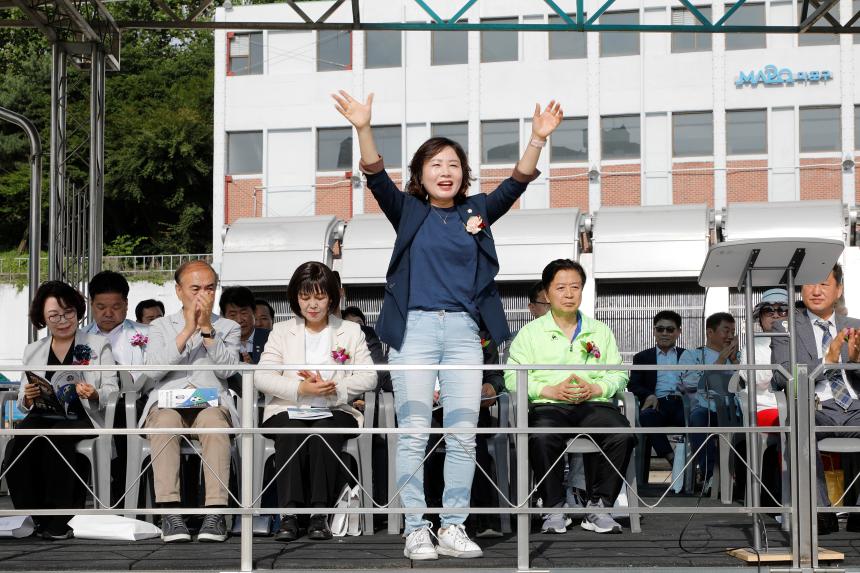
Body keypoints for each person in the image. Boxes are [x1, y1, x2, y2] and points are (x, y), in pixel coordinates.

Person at [334, 89, 562, 559]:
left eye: (453, 164)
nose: (445, 171)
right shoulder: (409, 211)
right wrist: (363, 127)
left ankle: (453, 526)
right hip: (414, 332)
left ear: (464, 174)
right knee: (414, 434)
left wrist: (537, 138)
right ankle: (416, 528)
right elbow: (375, 175)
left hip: (463, 334)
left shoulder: (475, 211)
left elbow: (515, 184)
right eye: (435, 164)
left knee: (462, 434)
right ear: (420, 174)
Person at [505, 259, 634, 534]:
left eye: (575, 287)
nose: (568, 294)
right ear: (547, 293)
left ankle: (600, 506)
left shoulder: (600, 331)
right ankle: (554, 508)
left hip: (593, 404)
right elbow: (511, 377)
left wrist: (598, 388)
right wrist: (546, 390)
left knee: (622, 434)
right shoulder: (530, 334)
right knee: (541, 436)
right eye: (561, 287)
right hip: (549, 406)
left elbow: (619, 374)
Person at [255, 262, 377, 542]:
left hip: (334, 407)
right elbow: (262, 376)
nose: (312, 305)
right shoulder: (282, 331)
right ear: (295, 298)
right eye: (305, 297)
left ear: (332, 298)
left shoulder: (350, 331)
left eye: (319, 297)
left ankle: (319, 513)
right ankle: (289, 514)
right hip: (288, 407)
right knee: (292, 429)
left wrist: (333, 389)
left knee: (323, 429)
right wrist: (300, 388)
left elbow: (370, 376)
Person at [9, 281, 118, 539]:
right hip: (42, 413)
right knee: (17, 444)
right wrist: (29, 397)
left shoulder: (97, 344)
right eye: (54, 316)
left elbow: (112, 389)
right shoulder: (33, 350)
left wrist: (94, 393)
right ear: (43, 318)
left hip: (81, 415)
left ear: (78, 311)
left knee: (57, 438)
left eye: (68, 312)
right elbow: (23, 399)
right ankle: (33, 516)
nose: (63, 321)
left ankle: (61, 520)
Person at [144, 260, 241, 543]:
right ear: (179, 291)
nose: (203, 295)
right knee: (164, 423)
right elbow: (153, 370)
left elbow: (227, 371)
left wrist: (208, 331)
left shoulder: (228, 326)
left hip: (210, 402)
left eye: (209, 288)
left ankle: (215, 512)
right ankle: (170, 512)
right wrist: (187, 330)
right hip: (168, 402)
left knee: (215, 425)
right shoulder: (161, 325)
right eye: (195, 288)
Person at [772, 263, 860, 534]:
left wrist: (855, 362)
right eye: (810, 283)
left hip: (854, 407)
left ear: (838, 290)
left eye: (824, 284)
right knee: (800, 425)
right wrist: (827, 361)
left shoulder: (855, 326)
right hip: (815, 407)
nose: (816, 291)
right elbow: (783, 377)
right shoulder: (785, 327)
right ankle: (820, 512)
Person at [82, 270, 150, 504]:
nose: (108, 313)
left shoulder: (146, 334)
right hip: (92, 405)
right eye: (101, 307)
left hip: (136, 404)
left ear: (126, 304)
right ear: (91, 304)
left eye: (116, 307)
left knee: (123, 419)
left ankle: (126, 502)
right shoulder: (80, 337)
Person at [629, 310, 689, 477]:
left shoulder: (687, 355)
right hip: (657, 403)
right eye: (660, 329)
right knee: (647, 416)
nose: (664, 333)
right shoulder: (642, 357)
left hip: (682, 403)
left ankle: (695, 467)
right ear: (654, 331)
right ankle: (674, 461)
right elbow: (633, 384)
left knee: (699, 418)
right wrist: (648, 395)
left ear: (678, 332)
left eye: (670, 329)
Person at [683, 312, 739, 487]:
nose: (730, 336)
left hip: (734, 411)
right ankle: (710, 476)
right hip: (706, 409)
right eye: (726, 331)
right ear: (710, 332)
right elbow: (690, 383)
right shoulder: (693, 355)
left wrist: (734, 361)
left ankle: (740, 477)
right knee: (698, 418)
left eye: (733, 332)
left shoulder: (739, 357)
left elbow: (747, 385)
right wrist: (720, 361)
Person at [219, 286, 270, 365]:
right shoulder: (218, 341)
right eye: (233, 315)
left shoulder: (270, 338)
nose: (239, 320)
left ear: (253, 312)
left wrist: (254, 368)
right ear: (223, 316)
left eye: (244, 313)